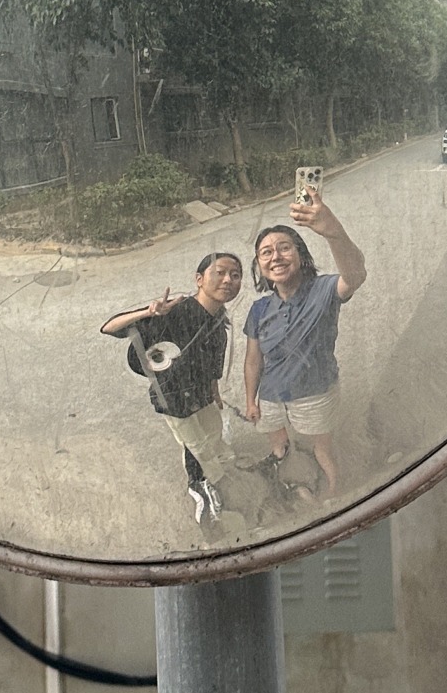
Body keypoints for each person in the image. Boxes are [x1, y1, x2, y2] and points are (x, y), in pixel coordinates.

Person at [102, 252, 244, 523]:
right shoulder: (174, 312)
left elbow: (214, 362)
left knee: (212, 435)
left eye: (235, 275)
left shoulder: (219, 324)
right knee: (197, 445)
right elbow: (110, 328)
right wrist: (149, 312)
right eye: (220, 272)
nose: (228, 280)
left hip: (202, 395)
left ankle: (215, 476)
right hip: (174, 399)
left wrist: (214, 392)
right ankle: (201, 490)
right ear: (199, 279)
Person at [243, 196, 366, 496]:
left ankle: (333, 497)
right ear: (259, 266)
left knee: (321, 450)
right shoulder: (259, 309)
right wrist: (251, 400)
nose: (276, 256)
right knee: (279, 446)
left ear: (301, 255)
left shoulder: (323, 290)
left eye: (285, 248)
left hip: (315, 393)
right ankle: (288, 484)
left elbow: (355, 276)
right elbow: (253, 360)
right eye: (266, 252)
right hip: (271, 397)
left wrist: (333, 232)